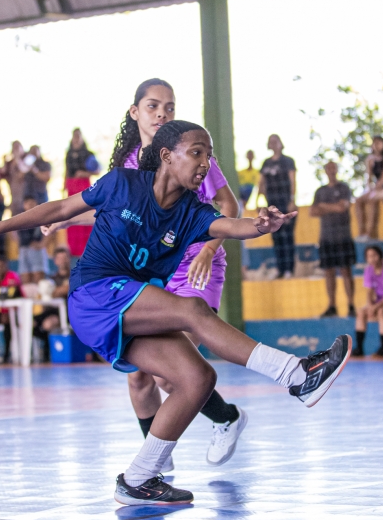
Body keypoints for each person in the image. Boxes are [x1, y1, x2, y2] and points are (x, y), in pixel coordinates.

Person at [0, 119, 350, 506]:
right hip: (94, 295)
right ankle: (298, 375)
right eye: (196, 153)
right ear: (166, 155)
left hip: (130, 307)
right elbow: (59, 207)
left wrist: (262, 225)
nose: (205, 163)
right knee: (192, 309)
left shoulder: (192, 212)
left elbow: (232, 226)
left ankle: (138, 479)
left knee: (197, 378)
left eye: (209, 156)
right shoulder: (121, 184)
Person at [46, 78, 246, 470]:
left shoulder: (192, 153)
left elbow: (229, 205)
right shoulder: (128, 165)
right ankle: (157, 466)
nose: (162, 114)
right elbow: (113, 213)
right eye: (153, 106)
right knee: (138, 377)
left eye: (169, 107)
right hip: (152, 271)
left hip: (195, 268)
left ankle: (227, 418)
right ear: (135, 112)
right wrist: (66, 219)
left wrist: (209, 249)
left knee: (171, 376)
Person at [310, 161, 356, 318]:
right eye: (328, 168)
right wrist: (332, 207)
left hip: (343, 237)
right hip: (326, 238)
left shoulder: (344, 188)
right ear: (325, 171)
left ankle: (351, 304)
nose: (331, 170)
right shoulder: (320, 191)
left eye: (333, 167)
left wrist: (323, 206)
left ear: (337, 169)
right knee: (328, 272)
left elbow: (342, 207)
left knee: (345, 270)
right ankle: (332, 306)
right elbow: (312, 211)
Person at [259, 133, 297, 278]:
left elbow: (293, 181)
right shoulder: (266, 163)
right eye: (271, 141)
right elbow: (261, 183)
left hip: (285, 204)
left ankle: (289, 270)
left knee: (287, 237)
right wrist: (259, 201)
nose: (273, 144)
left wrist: (292, 200)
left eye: (276, 141)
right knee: (276, 237)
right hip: (272, 206)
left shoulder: (288, 161)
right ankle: (280, 269)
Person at [354, 245, 383, 358]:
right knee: (361, 312)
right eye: (369, 256)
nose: (372, 259)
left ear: (380, 256)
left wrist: (376, 306)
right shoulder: (368, 270)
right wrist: (370, 305)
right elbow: (369, 291)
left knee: (381, 312)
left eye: (374, 255)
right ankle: (359, 348)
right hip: (378, 301)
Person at [63, 129, 99, 257]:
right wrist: (64, 187)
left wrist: (84, 174)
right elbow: (66, 171)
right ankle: (74, 250)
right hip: (72, 187)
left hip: (83, 186)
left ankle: (88, 249)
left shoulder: (88, 154)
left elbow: (97, 170)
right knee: (72, 215)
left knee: (85, 214)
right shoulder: (68, 154)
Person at [354, 134, 383, 242]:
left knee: (372, 198)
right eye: (374, 143)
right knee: (358, 200)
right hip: (376, 188)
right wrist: (368, 189)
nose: (376, 145)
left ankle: (370, 233)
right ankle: (362, 232)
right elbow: (369, 178)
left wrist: (374, 189)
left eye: (378, 143)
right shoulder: (370, 159)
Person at [17, 195, 50, 284]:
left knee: (38, 276)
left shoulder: (42, 217)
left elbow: (50, 231)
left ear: (36, 204)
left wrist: (42, 244)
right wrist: (19, 242)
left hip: (36, 249)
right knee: (25, 276)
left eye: (32, 203)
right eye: (28, 203)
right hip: (24, 249)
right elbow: (12, 232)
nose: (30, 205)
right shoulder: (20, 218)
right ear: (24, 205)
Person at [5, 140, 28, 216]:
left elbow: (22, 173)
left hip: (26, 192)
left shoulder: (28, 158)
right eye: (14, 148)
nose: (15, 150)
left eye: (17, 147)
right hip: (14, 193)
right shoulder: (9, 163)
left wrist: (17, 159)